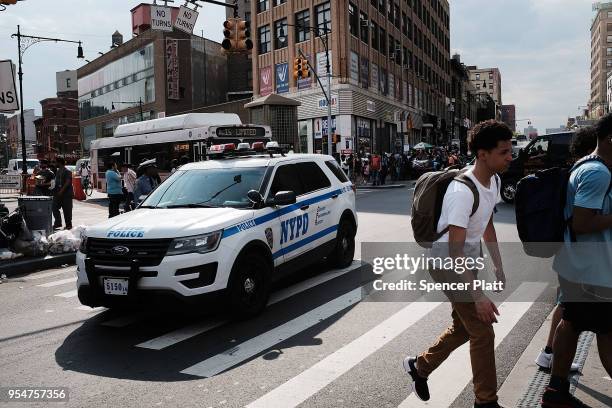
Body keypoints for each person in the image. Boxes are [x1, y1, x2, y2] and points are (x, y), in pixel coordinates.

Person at [404, 120, 513, 408]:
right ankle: (485, 401)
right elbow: (453, 252)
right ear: (482, 154)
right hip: (447, 263)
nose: (510, 157)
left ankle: (420, 367)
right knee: (482, 330)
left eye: (509, 151)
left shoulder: (495, 181)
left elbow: (487, 225)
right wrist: (477, 295)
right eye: (503, 152)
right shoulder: (461, 191)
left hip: (467, 261)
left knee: (465, 327)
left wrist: (499, 266)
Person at [541, 117, 612, 407]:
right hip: (592, 270)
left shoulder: (586, 165)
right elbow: (583, 223)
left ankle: (555, 391)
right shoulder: (598, 173)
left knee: (570, 323)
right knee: (607, 330)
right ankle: (555, 392)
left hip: (577, 265)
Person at [535, 126, 597, 372]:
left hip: (569, 252)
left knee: (565, 305)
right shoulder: (591, 174)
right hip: (578, 255)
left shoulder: (574, 172)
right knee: (569, 310)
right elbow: (582, 221)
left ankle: (550, 354)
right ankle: (552, 359)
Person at [52, 156, 74, 230]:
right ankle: (58, 223)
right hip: (58, 194)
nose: (54, 164)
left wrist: (61, 191)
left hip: (66, 194)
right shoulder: (58, 171)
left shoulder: (67, 171)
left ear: (59, 162)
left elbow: (68, 182)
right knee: (54, 207)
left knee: (67, 210)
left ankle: (69, 225)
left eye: (55, 162)